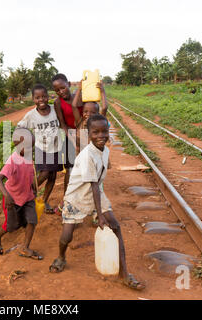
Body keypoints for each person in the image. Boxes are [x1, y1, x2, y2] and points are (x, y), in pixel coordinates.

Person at [49, 114, 145, 291]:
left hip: (97, 193)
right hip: (77, 197)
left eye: (104, 131)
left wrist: (102, 212)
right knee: (67, 236)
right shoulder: (87, 155)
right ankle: (61, 257)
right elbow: (92, 185)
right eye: (96, 132)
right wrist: (99, 216)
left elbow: (97, 185)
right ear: (88, 133)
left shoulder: (105, 150)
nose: (101, 135)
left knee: (116, 227)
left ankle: (125, 274)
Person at [0, 128, 42, 259]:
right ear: (17, 145)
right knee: (11, 226)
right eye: (27, 147)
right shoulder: (12, 160)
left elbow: (29, 174)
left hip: (27, 197)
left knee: (32, 220)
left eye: (32, 147)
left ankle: (25, 247)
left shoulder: (29, 158)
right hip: (12, 199)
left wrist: (33, 187)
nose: (30, 150)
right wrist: (7, 196)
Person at [17, 84, 64, 214]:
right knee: (44, 173)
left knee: (53, 176)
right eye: (37, 97)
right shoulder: (31, 115)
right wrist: (23, 142)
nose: (41, 100)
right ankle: (27, 194)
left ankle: (44, 201)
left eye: (43, 96)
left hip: (55, 148)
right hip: (41, 148)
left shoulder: (55, 110)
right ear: (33, 99)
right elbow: (19, 127)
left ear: (47, 96)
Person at [51, 74, 83, 211]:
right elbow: (62, 124)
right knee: (70, 170)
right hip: (70, 136)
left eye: (63, 88)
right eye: (57, 90)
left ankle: (87, 201)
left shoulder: (80, 96)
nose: (61, 92)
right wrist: (72, 137)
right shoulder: (58, 103)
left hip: (86, 135)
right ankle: (67, 200)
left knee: (89, 169)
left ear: (69, 84)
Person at [72, 80, 108, 154]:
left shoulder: (97, 124)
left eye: (93, 112)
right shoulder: (79, 121)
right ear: (82, 112)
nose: (88, 114)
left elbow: (104, 108)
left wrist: (102, 92)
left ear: (98, 114)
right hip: (80, 156)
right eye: (85, 111)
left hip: (94, 156)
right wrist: (79, 89)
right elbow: (74, 106)